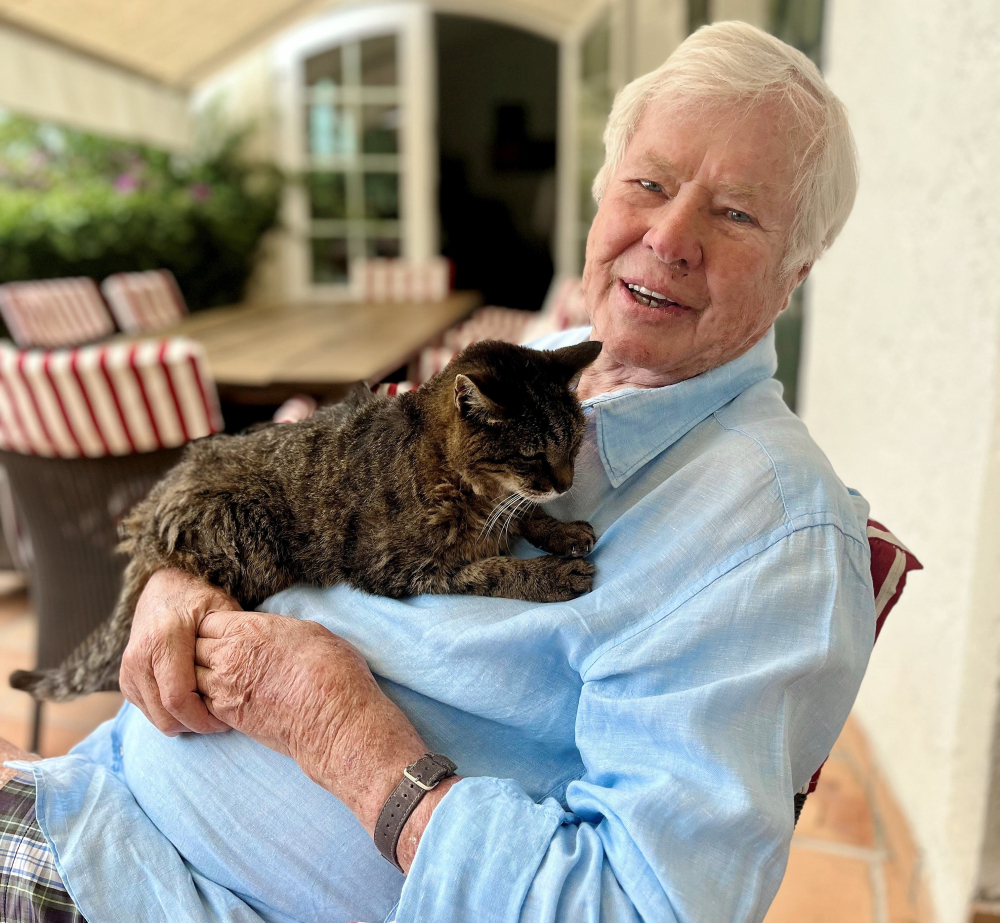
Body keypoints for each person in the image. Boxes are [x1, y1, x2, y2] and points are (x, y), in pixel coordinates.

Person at [1, 21, 872, 923]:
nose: (669, 235)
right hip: (95, 798)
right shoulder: (545, 365)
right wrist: (177, 575)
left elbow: (633, 905)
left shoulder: (772, 533)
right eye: (649, 184)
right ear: (604, 192)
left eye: (736, 213)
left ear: (795, 273)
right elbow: (317, 485)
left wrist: (344, 737)